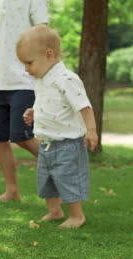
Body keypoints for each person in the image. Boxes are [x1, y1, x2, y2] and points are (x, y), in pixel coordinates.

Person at [17, 25, 98, 228]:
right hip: (46, 143)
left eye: (29, 62)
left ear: (49, 55)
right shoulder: (43, 80)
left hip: (68, 144)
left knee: (68, 179)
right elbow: (50, 103)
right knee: (47, 181)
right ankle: (54, 211)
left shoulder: (67, 79)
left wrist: (91, 130)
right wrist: (34, 112)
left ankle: (77, 216)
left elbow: (84, 106)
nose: (26, 69)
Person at [0, 0, 50, 202]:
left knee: (22, 137)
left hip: (24, 80)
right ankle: (12, 191)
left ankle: (61, 166)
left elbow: (43, 34)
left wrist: (44, 72)